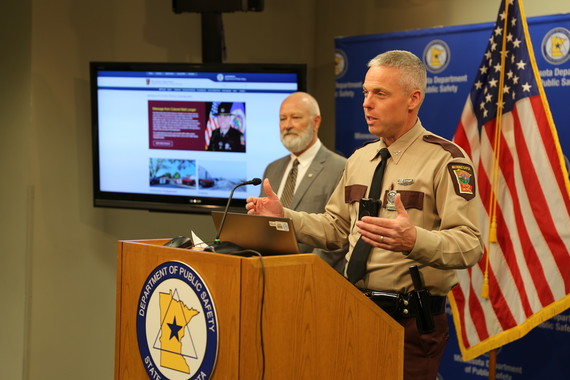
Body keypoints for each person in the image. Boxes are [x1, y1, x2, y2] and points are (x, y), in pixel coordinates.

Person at [246, 50, 483, 380]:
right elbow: (336, 229)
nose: (366, 103)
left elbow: (470, 245)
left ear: (413, 99)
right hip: (352, 310)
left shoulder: (445, 160)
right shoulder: (360, 158)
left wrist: (414, 240)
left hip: (409, 323)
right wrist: (283, 215)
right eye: (365, 93)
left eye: (380, 94)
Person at [261, 91, 347, 273]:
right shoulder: (272, 168)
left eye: (295, 117)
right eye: (282, 119)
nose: (287, 125)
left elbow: (342, 235)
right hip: (267, 272)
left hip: (312, 278)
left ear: (316, 122)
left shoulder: (341, 168)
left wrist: (303, 271)